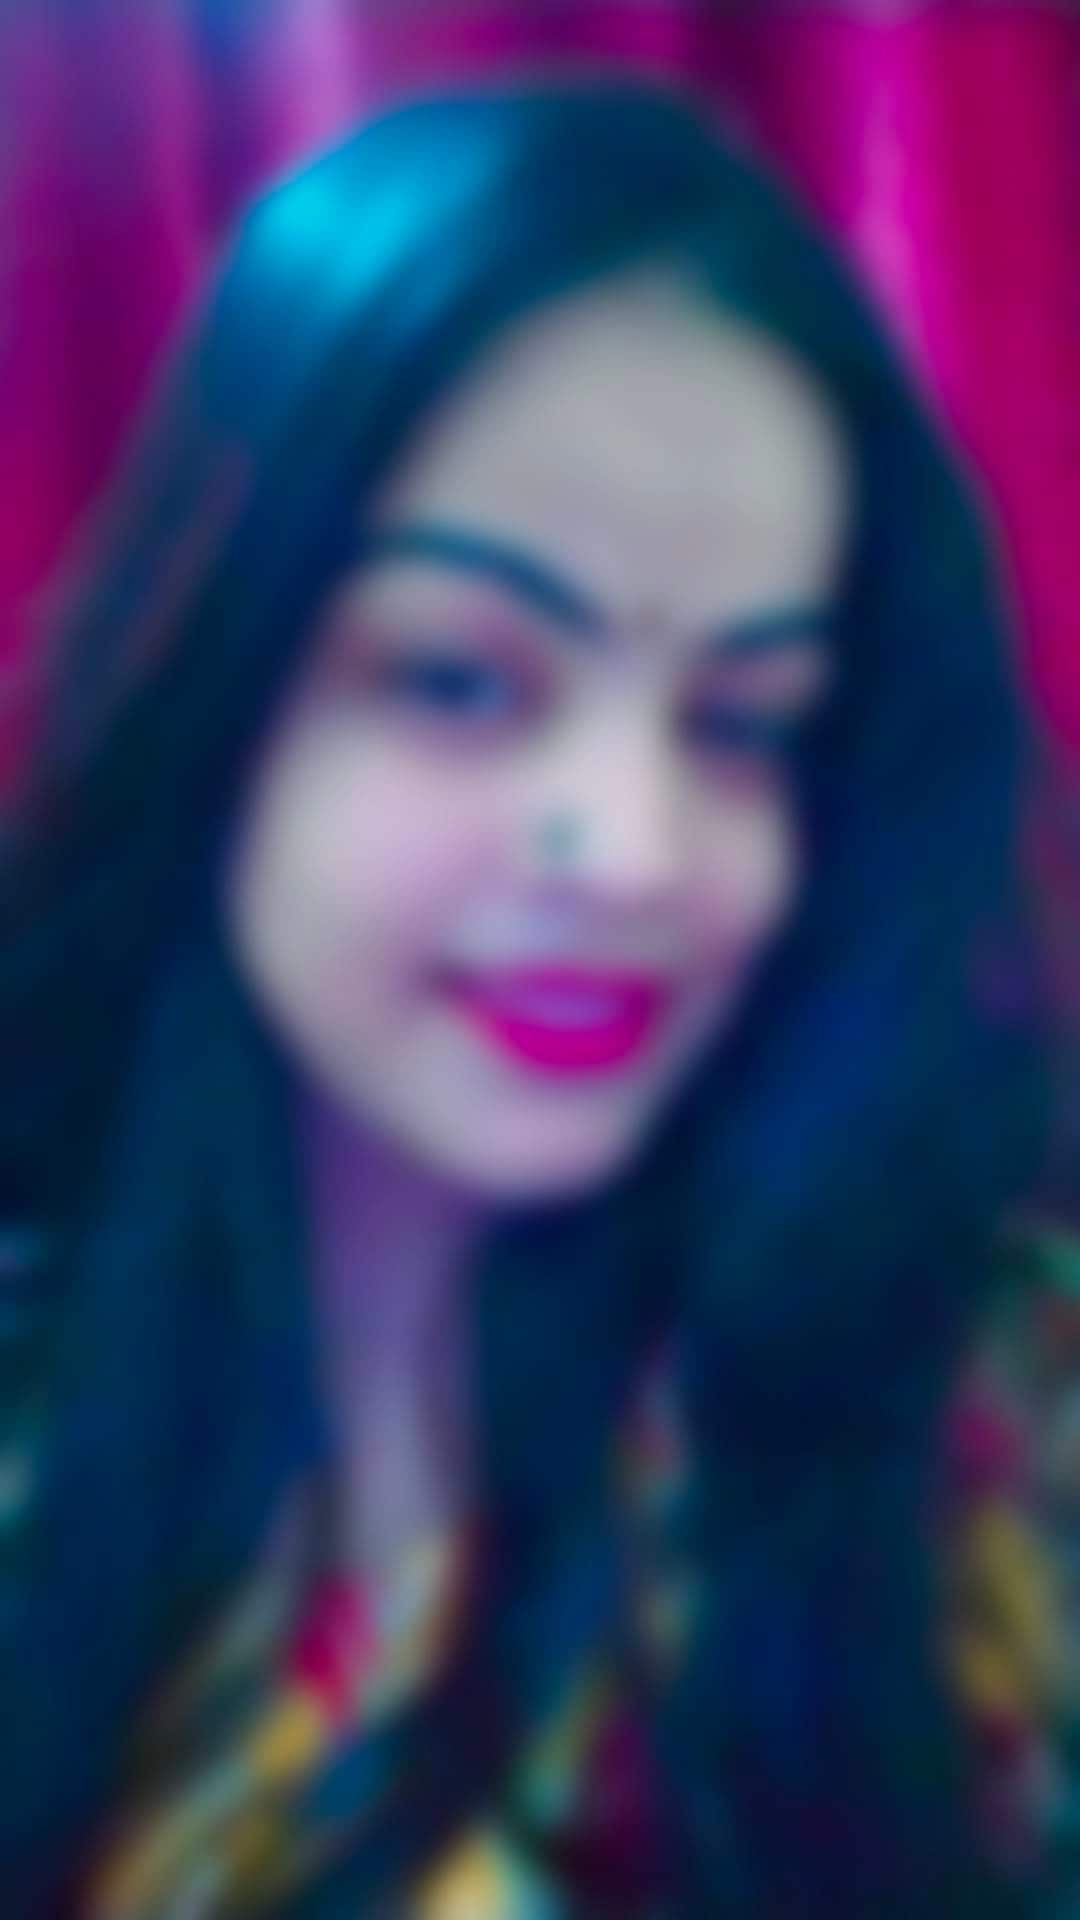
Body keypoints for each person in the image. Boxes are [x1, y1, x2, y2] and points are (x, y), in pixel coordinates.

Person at [0, 77, 1053, 1918]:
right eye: (459, 681)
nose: (636, 853)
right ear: (215, 687)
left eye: (744, 723)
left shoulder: (992, 1408)